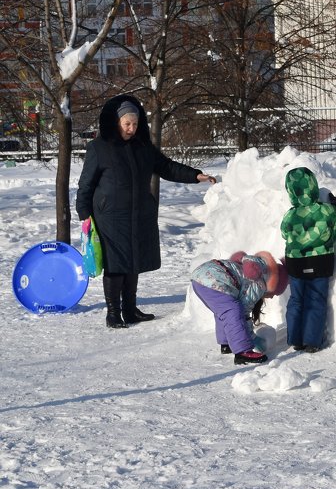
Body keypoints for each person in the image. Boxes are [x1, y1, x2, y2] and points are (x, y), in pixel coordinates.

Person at [76, 94, 218, 329]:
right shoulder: (99, 148)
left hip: (139, 212)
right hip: (110, 216)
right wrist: (84, 214)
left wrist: (195, 175)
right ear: (116, 122)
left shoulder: (143, 147)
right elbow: (86, 185)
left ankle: (130, 310)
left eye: (135, 123)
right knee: (115, 263)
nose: (132, 129)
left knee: (133, 261)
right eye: (127, 124)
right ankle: (113, 313)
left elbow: (166, 167)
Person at [280, 166, 336, 353]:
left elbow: (284, 234)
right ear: (313, 186)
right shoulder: (326, 211)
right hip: (320, 261)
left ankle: (295, 339)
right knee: (316, 299)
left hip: (295, 262)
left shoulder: (290, 214)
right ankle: (312, 341)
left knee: (296, 299)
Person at [190, 251, 287, 365]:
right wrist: (253, 339)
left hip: (200, 278)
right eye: (274, 293)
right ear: (274, 285)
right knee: (234, 311)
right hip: (213, 280)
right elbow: (244, 314)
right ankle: (243, 352)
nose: (271, 297)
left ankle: (226, 343)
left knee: (226, 310)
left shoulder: (257, 274)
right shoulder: (258, 284)